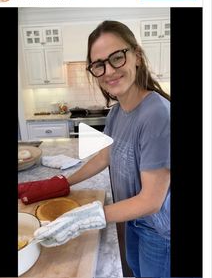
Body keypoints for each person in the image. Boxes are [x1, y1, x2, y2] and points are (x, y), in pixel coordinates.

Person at [34, 20, 170, 278]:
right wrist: (64, 182)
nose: (108, 71)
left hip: (159, 232)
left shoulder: (157, 115)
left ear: (137, 57)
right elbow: (106, 155)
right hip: (132, 219)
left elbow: (152, 201)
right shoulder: (117, 112)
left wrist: (88, 217)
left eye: (117, 57)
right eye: (99, 64)